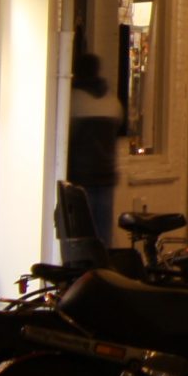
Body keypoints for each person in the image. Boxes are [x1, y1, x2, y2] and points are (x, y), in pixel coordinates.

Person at [67, 53, 124, 252]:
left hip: (81, 178)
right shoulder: (112, 101)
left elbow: (67, 139)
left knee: (82, 234)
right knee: (103, 235)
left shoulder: (73, 100)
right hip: (107, 176)